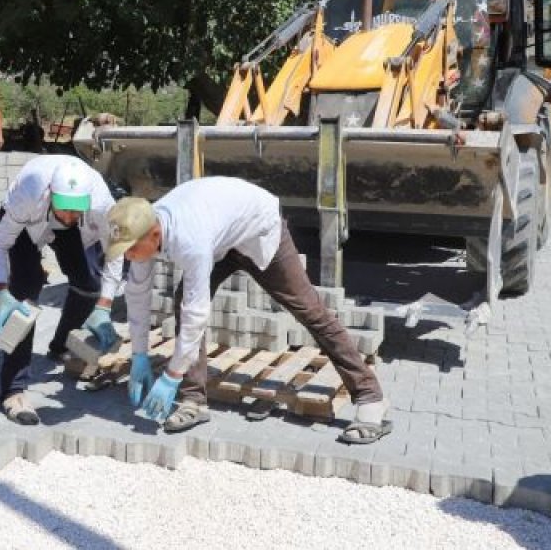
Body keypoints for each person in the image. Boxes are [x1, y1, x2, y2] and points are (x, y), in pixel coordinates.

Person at [104, 177, 391, 442]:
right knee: (183, 301)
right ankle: (194, 401)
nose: (129, 257)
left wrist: (171, 375)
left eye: (131, 249)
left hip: (258, 227)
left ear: (154, 234)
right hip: (222, 236)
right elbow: (137, 295)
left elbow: (197, 312)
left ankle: (370, 397)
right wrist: (140, 353)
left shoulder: (190, 240)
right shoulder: (143, 232)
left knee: (308, 309)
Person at [0, 155, 124, 425]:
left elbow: (115, 253)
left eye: (77, 210)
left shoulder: (100, 204)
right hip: (26, 225)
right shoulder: (28, 192)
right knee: (25, 294)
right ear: (50, 194)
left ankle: (61, 346)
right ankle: (12, 391)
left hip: (66, 226)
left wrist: (105, 306)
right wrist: (3, 291)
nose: (70, 216)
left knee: (88, 285)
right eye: (65, 210)